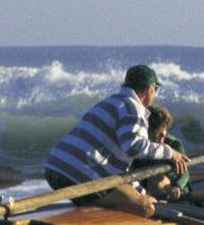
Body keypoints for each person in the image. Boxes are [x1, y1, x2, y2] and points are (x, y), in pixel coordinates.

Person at [43, 64, 189, 216]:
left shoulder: (110, 102)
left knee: (130, 200)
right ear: (149, 89)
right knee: (146, 208)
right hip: (82, 175)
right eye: (156, 89)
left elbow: (117, 169)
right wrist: (170, 152)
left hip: (55, 168)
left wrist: (141, 193)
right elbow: (134, 146)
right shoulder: (134, 109)